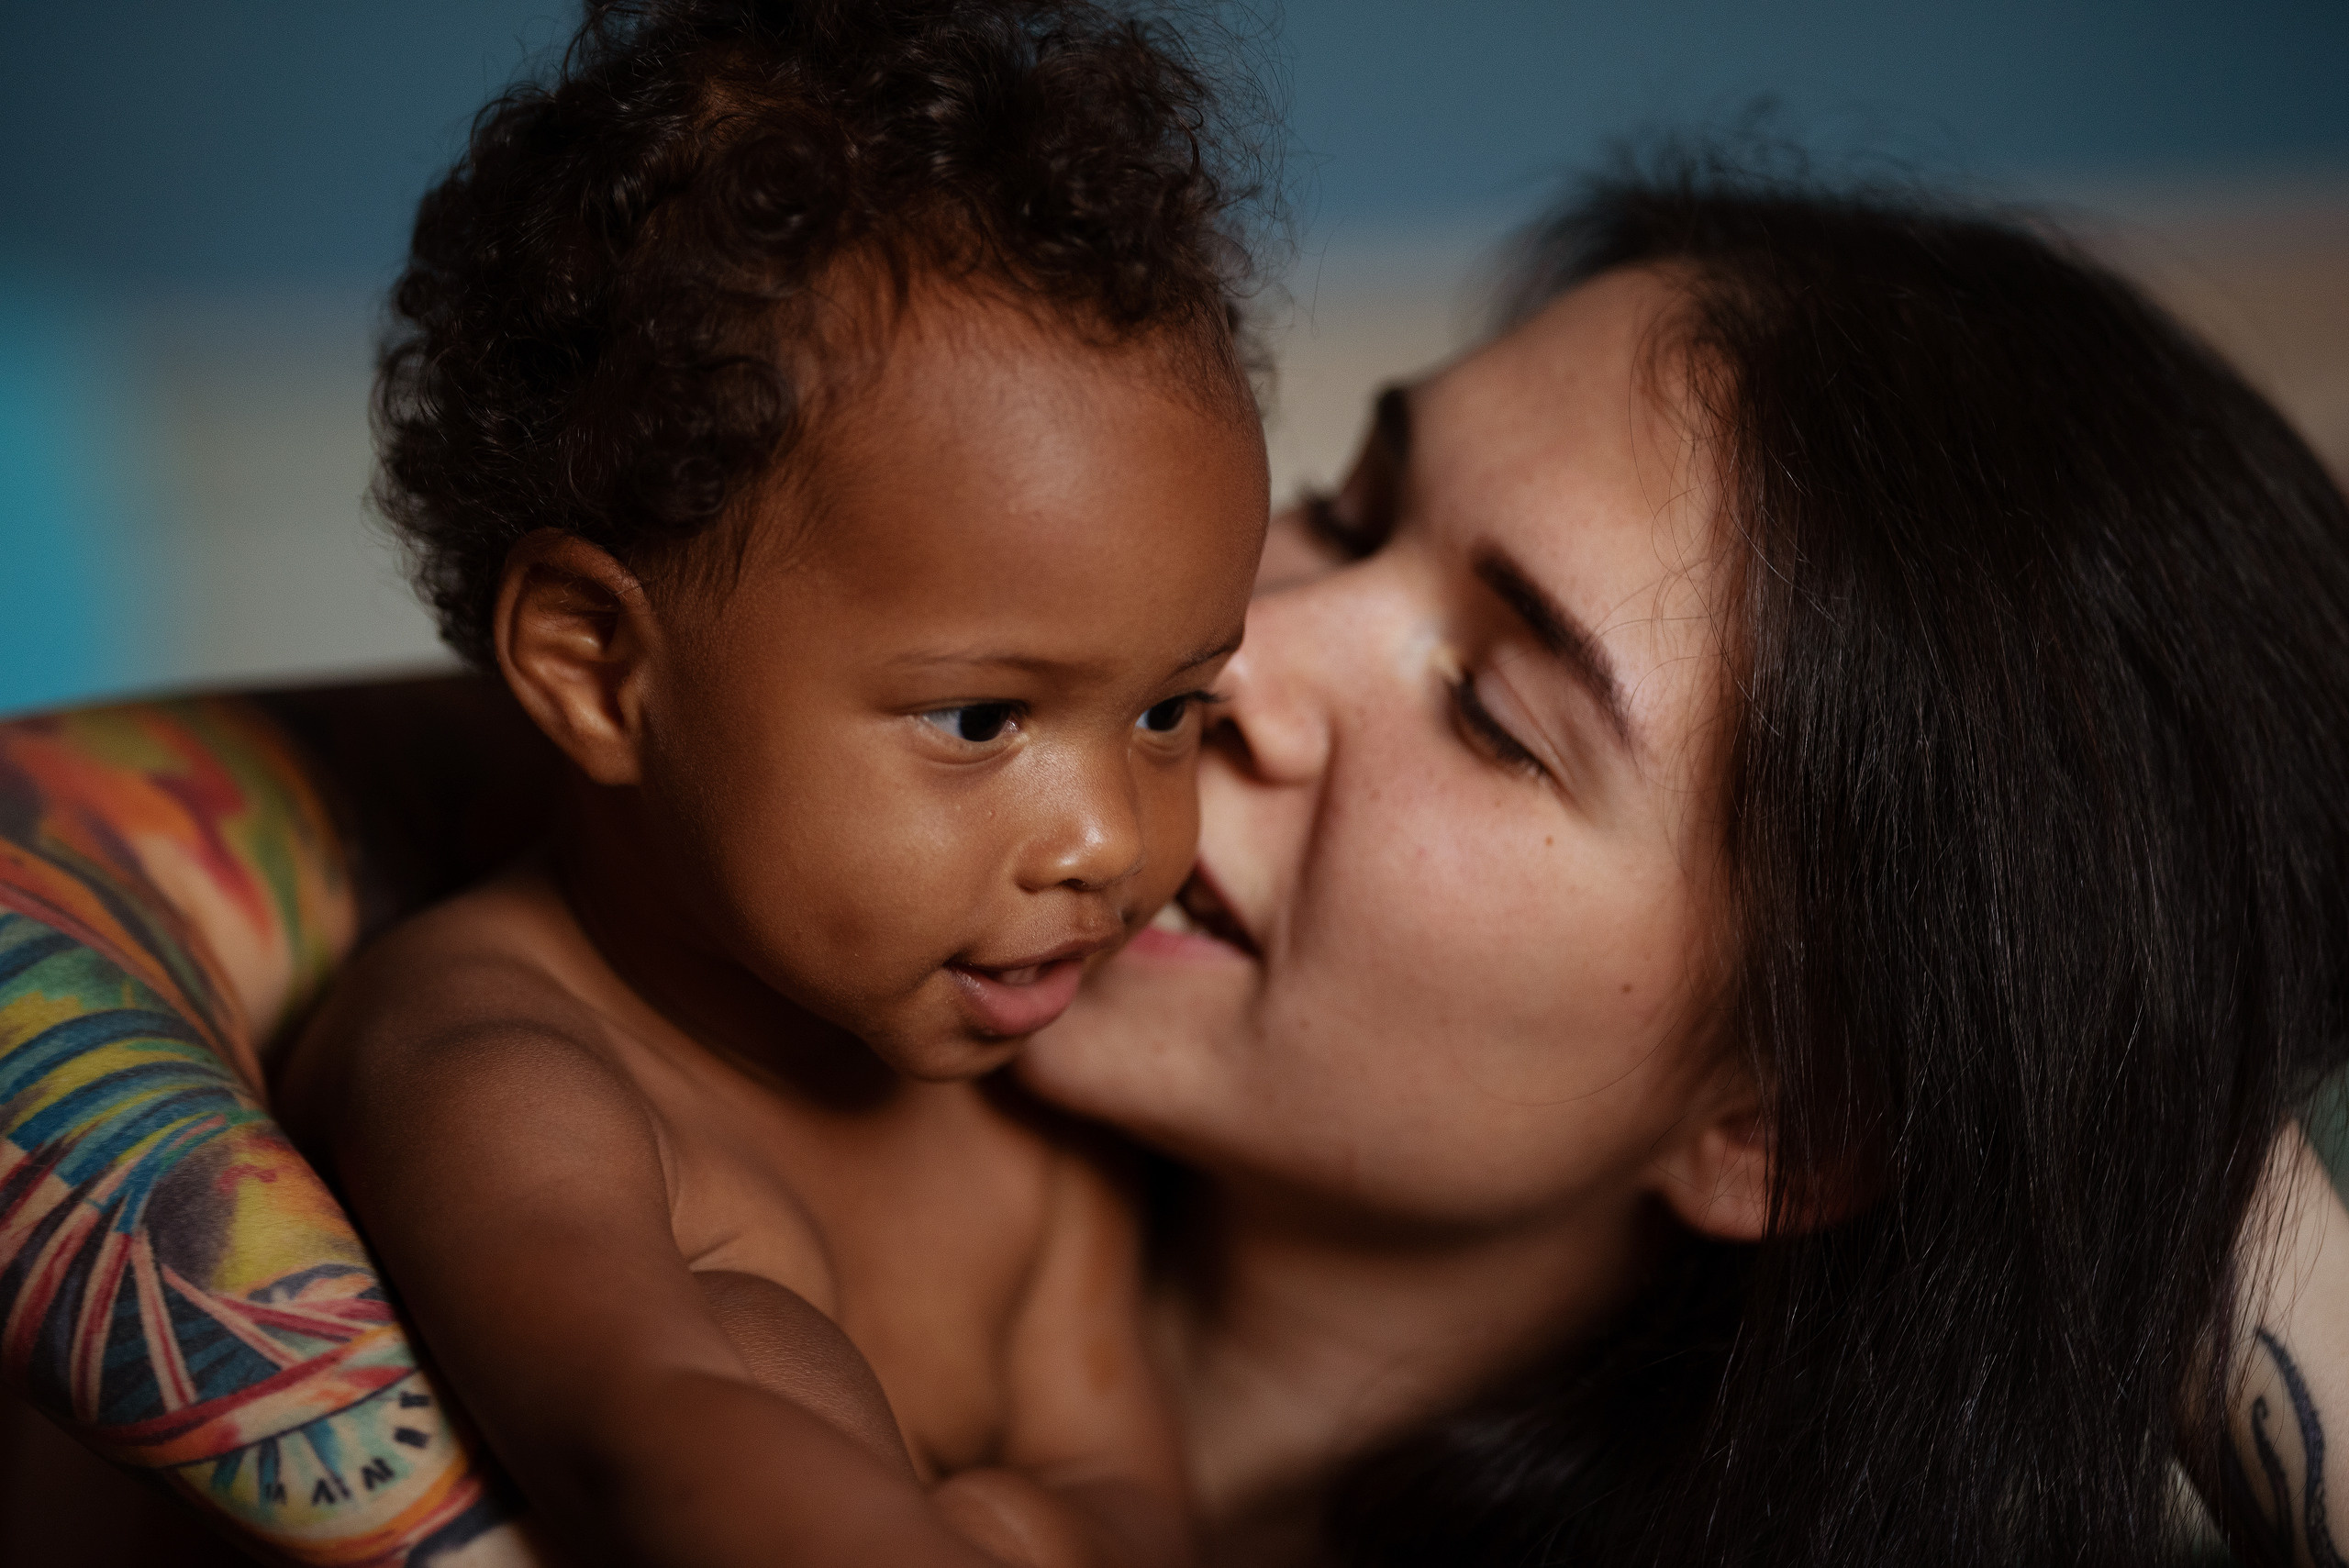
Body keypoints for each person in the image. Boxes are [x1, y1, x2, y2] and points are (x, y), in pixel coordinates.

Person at [8, 160, 2349, 1568]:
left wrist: (2149, 1184)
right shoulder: (664, 1044)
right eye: (1343, 503)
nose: (1237, 657)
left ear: (1786, 1119)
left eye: (1497, 711)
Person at [288, 0, 1270, 1564]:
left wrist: (1032, 1527)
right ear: (603, 666)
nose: (1107, 838)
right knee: (759, 1345)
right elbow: (645, 1419)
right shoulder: (499, 1065)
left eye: (1171, 710)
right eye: (978, 722)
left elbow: (1132, 1487)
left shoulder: (1031, 1110)